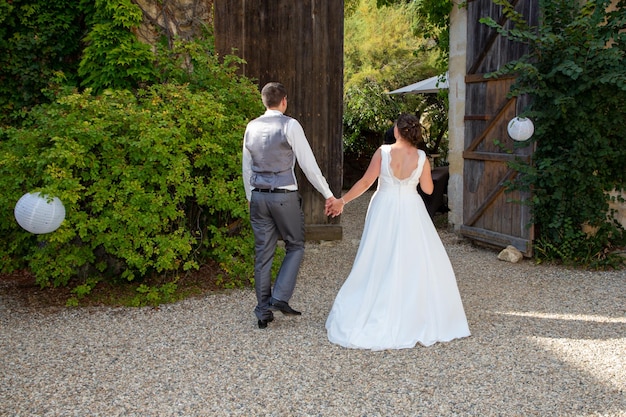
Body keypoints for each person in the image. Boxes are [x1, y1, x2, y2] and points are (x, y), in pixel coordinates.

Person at [324, 113, 470, 350]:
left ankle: (377, 302)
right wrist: (422, 173)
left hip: (385, 206)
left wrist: (342, 201)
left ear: (397, 131)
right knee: (412, 258)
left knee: (378, 255)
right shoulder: (422, 156)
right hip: (412, 208)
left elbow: (365, 182)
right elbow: (428, 189)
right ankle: (412, 309)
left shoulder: (383, 152)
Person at [243, 82, 337, 329]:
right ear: (284, 100)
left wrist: (251, 196)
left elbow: (246, 165)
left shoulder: (251, 127)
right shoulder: (290, 125)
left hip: (259, 196)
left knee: (263, 254)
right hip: (283, 195)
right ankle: (279, 298)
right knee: (295, 245)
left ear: (264, 101)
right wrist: (328, 193)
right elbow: (308, 164)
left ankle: (263, 311)